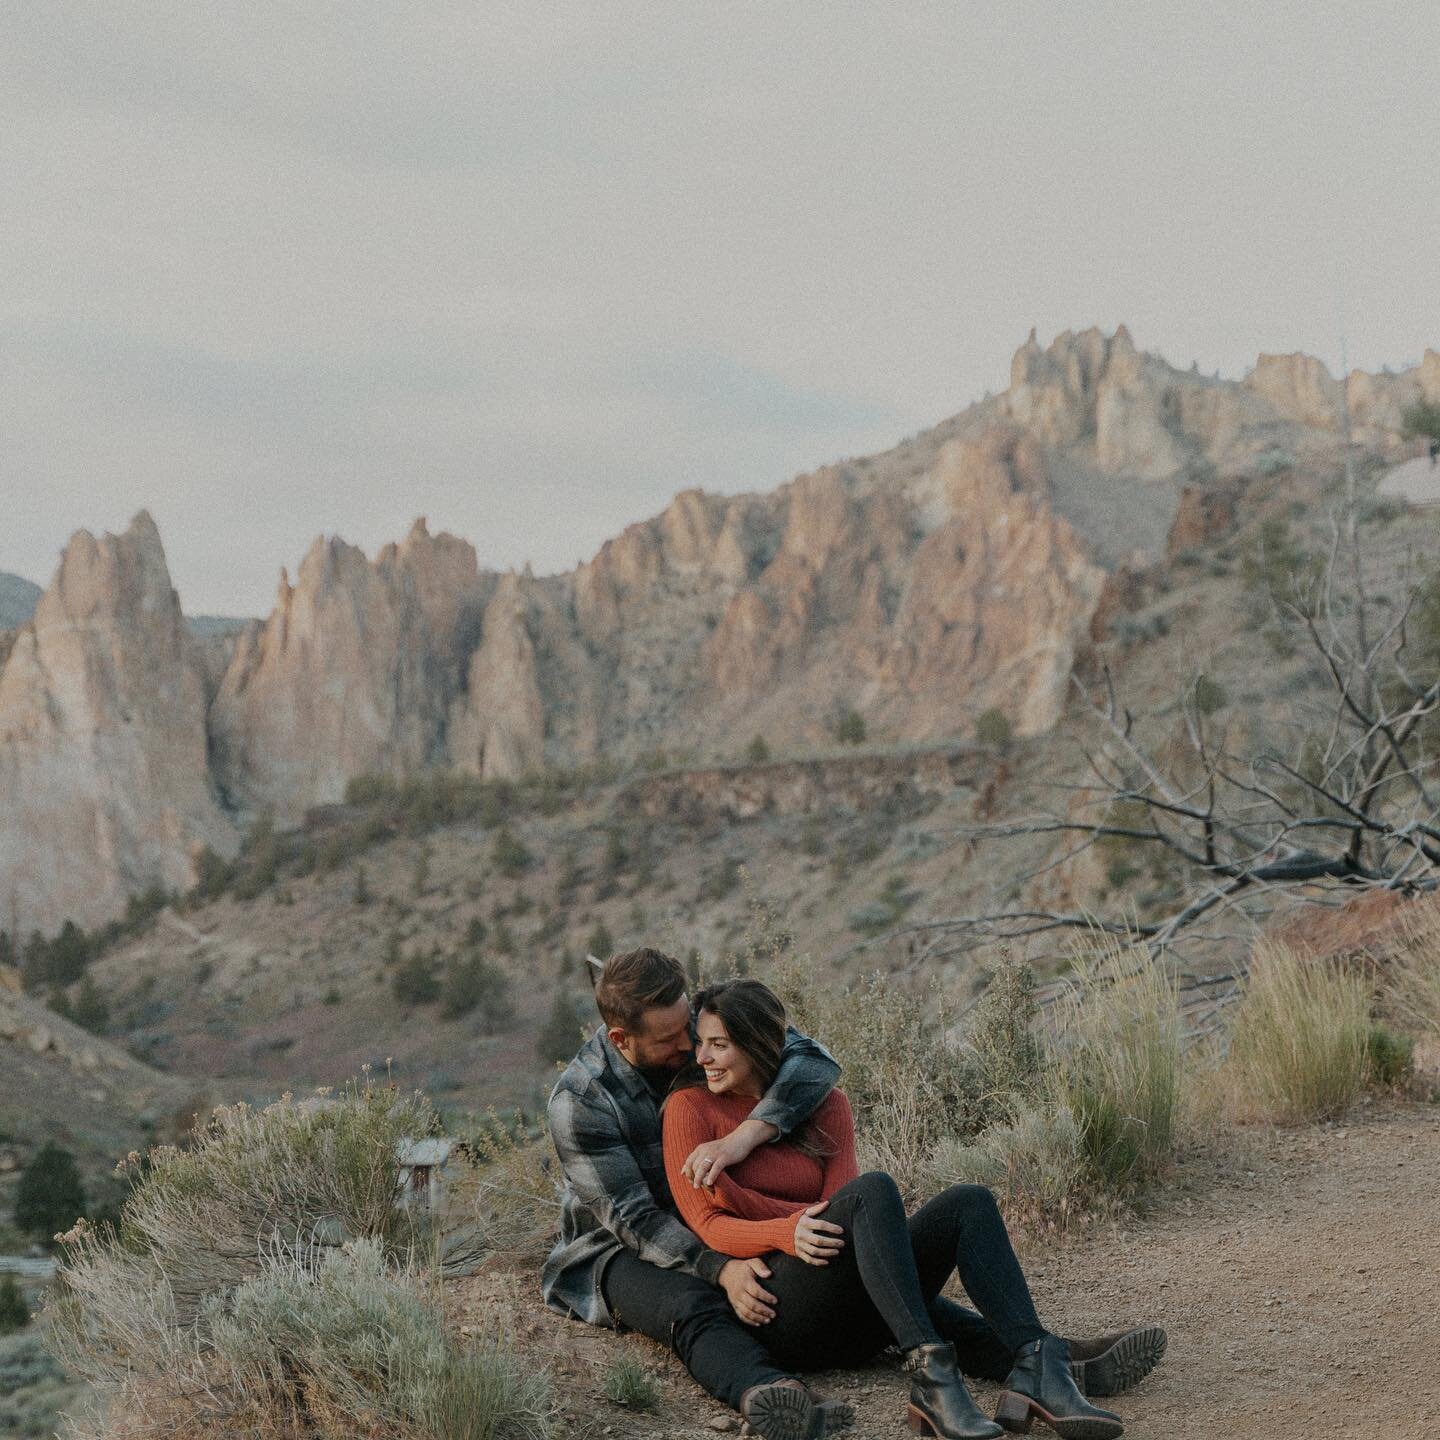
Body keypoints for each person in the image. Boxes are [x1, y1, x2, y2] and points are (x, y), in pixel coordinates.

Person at [662, 979, 1163, 1440]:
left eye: (718, 1044)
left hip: (848, 1290)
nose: (701, 1056)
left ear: (758, 1044)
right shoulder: (690, 1109)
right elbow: (707, 1224)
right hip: (782, 1308)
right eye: (701, 1042)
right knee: (874, 1193)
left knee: (969, 1203)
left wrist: (762, 1202)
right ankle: (941, 1375)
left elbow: (834, 1209)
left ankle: (1039, 1363)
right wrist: (781, 1230)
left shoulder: (828, 1106)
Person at [543, 947, 853, 1440]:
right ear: (622, 1038)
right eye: (670, 1039)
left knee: (845, 1269)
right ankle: (770, 1394)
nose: (690, 1047)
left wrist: (748, 1134)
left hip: (718, 1216)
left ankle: (1003, 1351)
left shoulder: (696, 1029)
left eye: (689, 1026)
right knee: (692, 1303)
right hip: (616, 1248)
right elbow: (634, 1220)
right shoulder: (583, 1102)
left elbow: (812, 1061)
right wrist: (719, 1267)